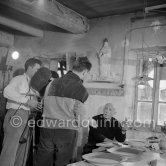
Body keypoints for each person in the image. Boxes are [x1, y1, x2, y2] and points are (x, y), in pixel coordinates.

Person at [35, 57, 92, 166]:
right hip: (66, 131)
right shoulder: (80, 89)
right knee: (64, 163)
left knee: (43, 162)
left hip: (46, 128)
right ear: (85, 72)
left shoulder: (52, 83)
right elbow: (80, 119)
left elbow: (42, 104)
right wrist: (87, 122)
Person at [0, 58, 42, 166]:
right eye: (37, 69)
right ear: (29, 67)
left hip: (27, 116)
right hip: (16, 114)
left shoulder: (33, 84)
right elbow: (7, 92)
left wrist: (36, 104)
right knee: (10, 149)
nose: (38, 73)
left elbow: (32, 101)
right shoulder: (18, 79)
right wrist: (27, 101)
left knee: (22, 150)